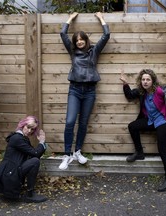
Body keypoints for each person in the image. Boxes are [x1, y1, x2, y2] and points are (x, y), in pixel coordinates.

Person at [120, 69, 166, 192]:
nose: (145, 82)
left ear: (153, 81)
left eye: (148, 79)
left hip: (163, 122)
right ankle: (139, 153)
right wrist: (125, 83)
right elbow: (129, 95)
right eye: (143, 79)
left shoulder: (161, 91)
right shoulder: (141, 92)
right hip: (151, 121)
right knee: (132, 126)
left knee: (162, 149)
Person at [59, 12, 110, 170]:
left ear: (86, 40)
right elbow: (62, 33)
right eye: (77, 40)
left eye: (82, 39)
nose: (79, 42)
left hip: (89, 91)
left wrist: (101, 18)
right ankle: (67, 154)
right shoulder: (73, 52)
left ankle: (78, 152)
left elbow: (106, 34)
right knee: (69, 122)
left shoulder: (94, 52)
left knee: (83, 123)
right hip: (74, 90)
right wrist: (70, 19)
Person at [0, 116, 48, 203]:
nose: (29, 131)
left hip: (14, 169)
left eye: (32, 129)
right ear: (22, 125)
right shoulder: (17, 138)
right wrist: (41, 142)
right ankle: (30, 195)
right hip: (10, 172)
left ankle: (30, 193)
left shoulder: (23, 138)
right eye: (28, 127)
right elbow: (35, 154)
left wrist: (42, 143)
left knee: (34, 161)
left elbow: (34, 155)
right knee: (35, 161)